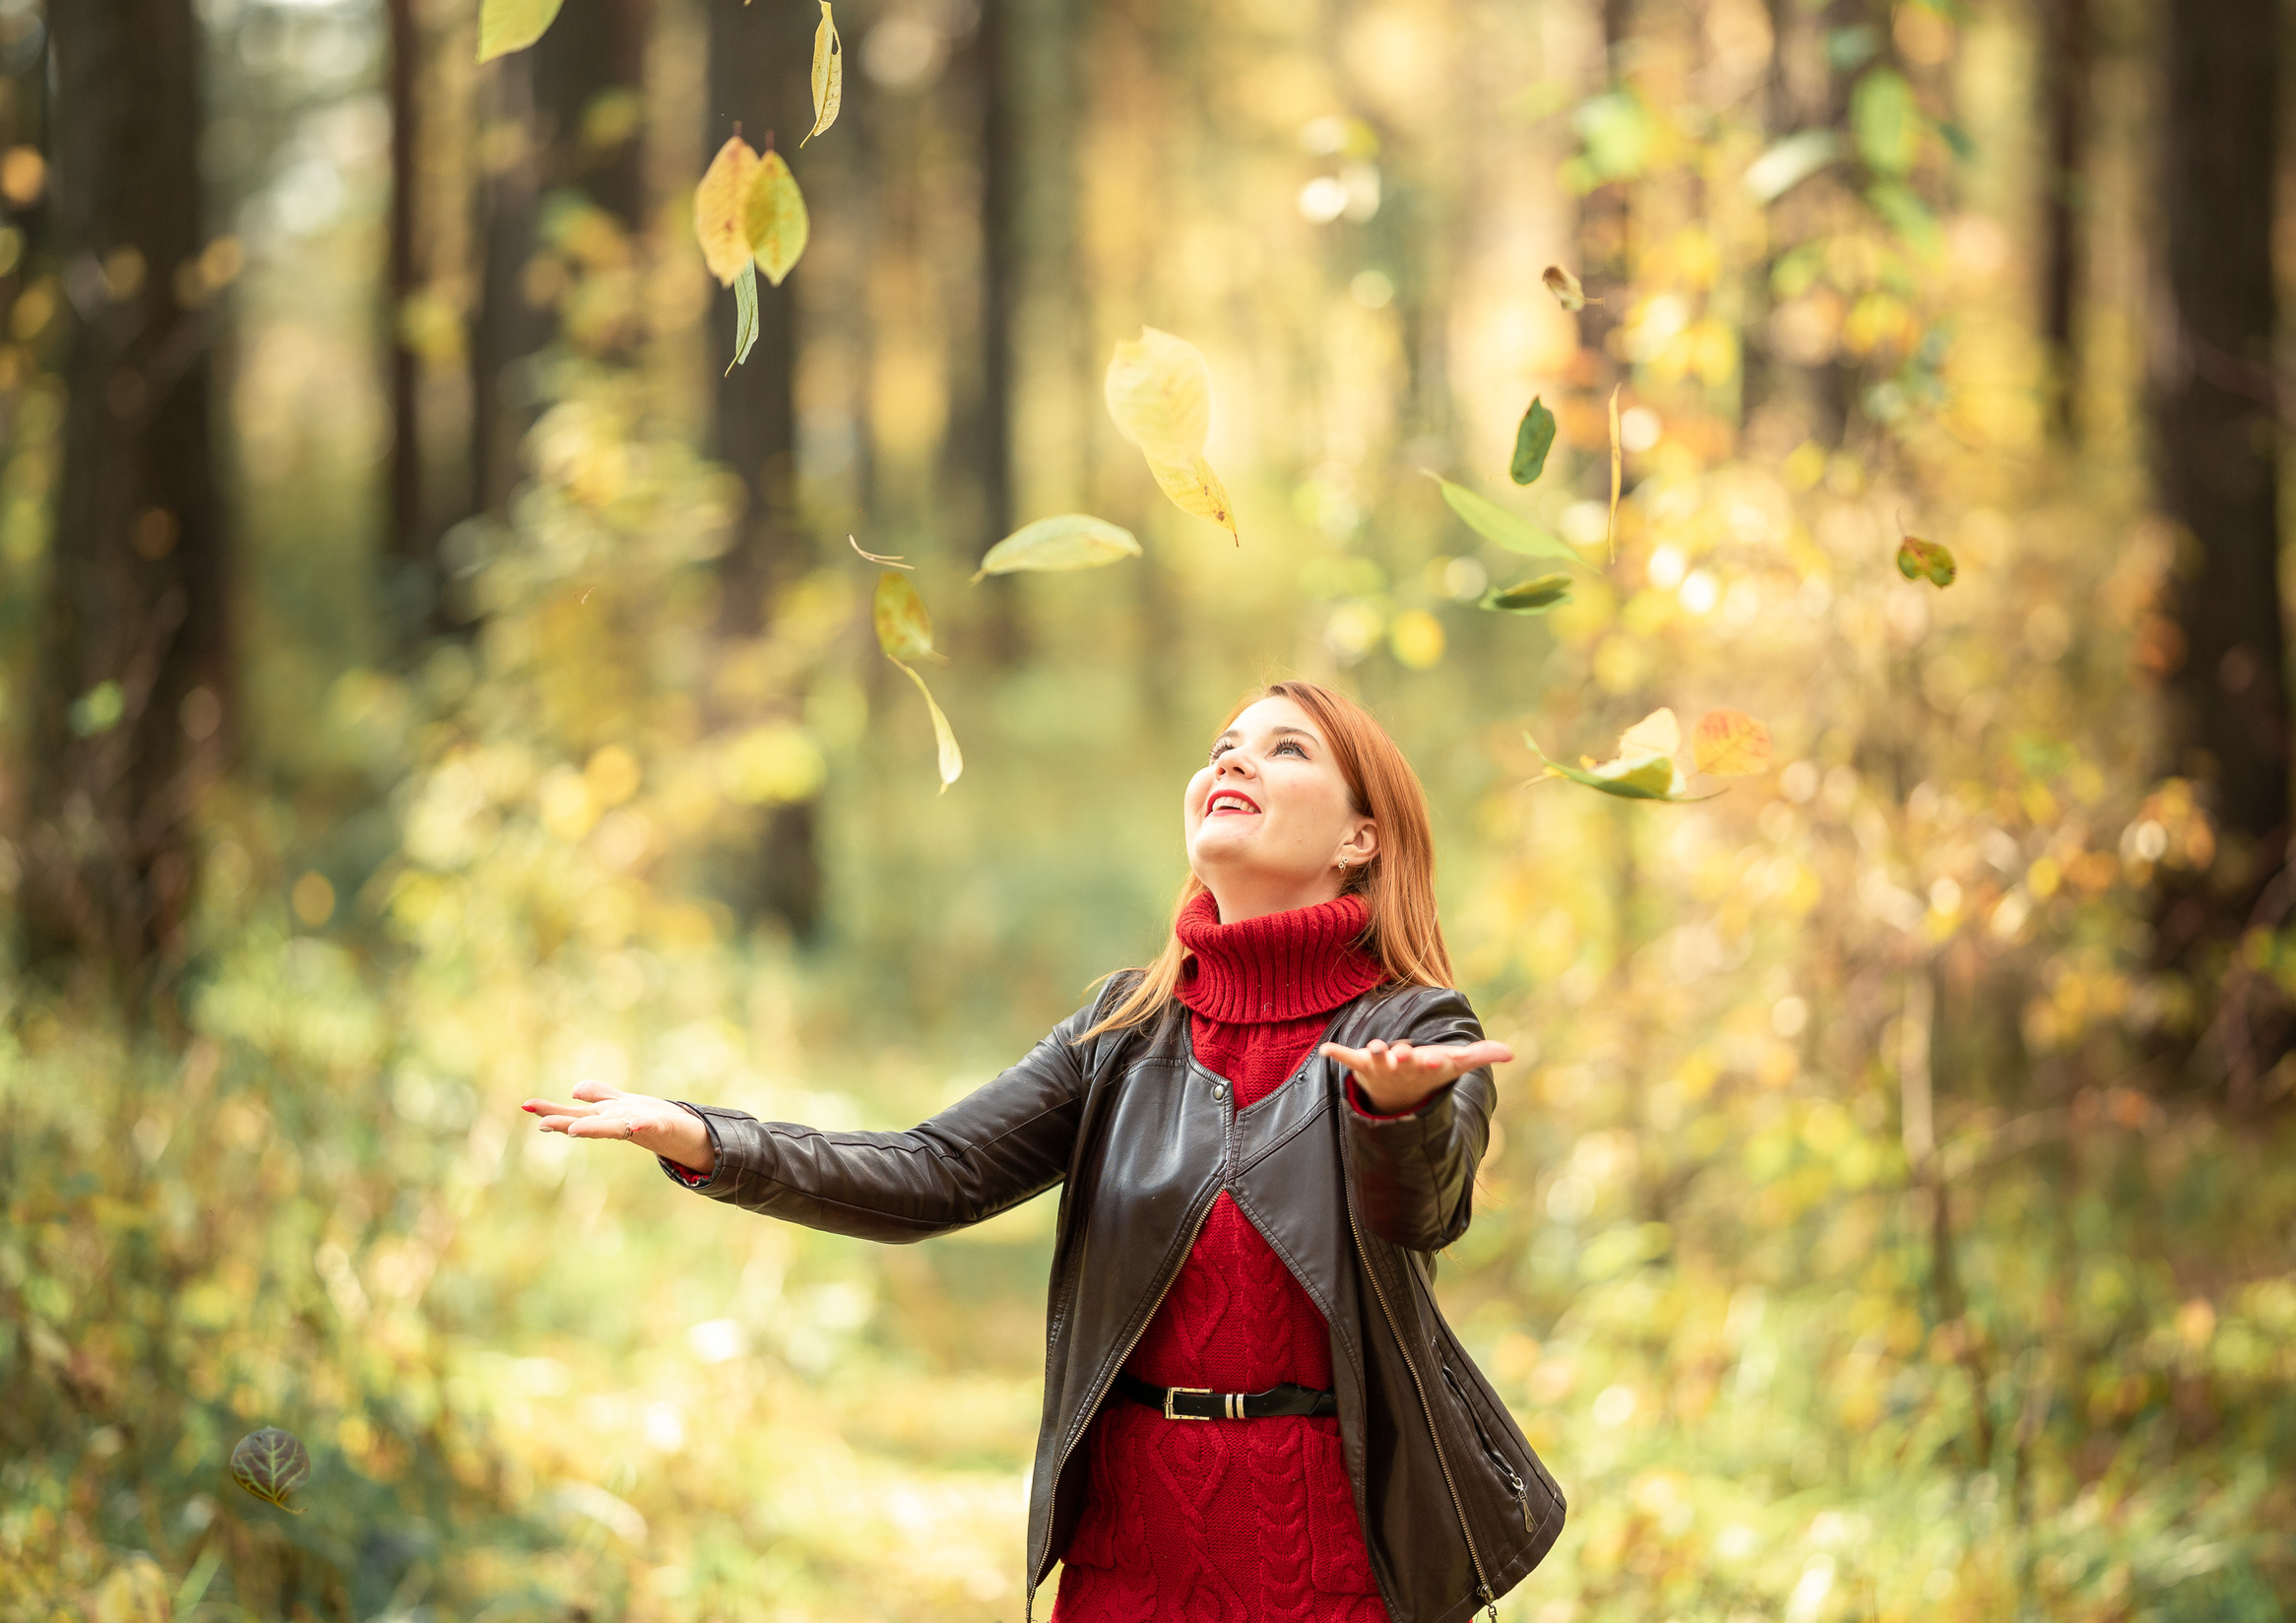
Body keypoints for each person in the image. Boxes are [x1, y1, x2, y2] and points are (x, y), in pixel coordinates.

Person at [522, 680, 1563, 1623]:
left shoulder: (1417, 1028)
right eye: (1223, 744)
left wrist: (1393, 1112)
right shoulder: (1122, 1027)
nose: (1232, 761)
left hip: (1332, 1549)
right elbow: (937, 1171)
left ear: (1361, 838)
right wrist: (709, 1138)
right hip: (1130, 1543)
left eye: (1286, 749)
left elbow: (1423, 1212)